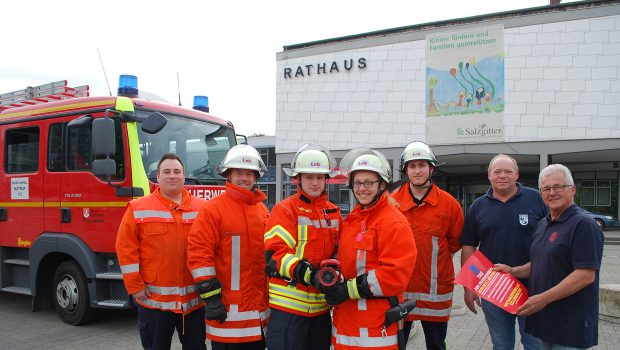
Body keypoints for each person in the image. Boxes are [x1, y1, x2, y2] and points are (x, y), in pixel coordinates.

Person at [495, 164, 604, 349]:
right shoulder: (543, 224)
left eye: (558, 187)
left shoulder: (584, 224)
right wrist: (512, 271)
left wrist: (542, 299)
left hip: (570, 327)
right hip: (544, 323)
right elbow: (540, 263)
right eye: (546, 189)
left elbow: (585, 275)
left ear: (572, 190)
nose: (552, 192)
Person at [325, 148, 417, 350]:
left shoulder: (393, 222)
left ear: (382, 185)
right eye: (357, 183)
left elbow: (395, 274)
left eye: (369, 182)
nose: (362, 188)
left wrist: (347, 290)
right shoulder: (353, 220)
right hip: (345, 325)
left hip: (376, 328)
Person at [116, 153, 207, 350]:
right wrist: (135, 286)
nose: (172, 176)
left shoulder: (203, 208)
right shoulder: (138, 208)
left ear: (184, 176)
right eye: (166, 172)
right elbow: (125, 248)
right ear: (157, 177)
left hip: (193, 303)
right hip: (155, 303)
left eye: (177, 171)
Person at [186, 144, 270, 350]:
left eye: (249, 173)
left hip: (259, 313)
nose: (244, 178)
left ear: (255, 177)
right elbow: (199, 255)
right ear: (228, 175)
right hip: (227, 312)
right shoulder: (213, 211)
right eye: (239, 173)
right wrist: (211, 298)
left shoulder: (262, 210)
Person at [459, 154, 547, 350]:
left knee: (535, 344)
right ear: (489, 175)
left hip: (534, 285)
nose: (502, 175)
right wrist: (469, 287)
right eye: (497, 172)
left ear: (516, 174)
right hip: (494, 288)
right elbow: (468, 246)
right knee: (501, 344)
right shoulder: (478, 206)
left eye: (508, 171)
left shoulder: (536, 198)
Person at [264, 144, 342, 350]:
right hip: (288, 309)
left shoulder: (333, 212)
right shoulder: (285, 210)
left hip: (321, 308)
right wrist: (309, 273)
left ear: (327, 179)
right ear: (298, 178)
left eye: (319, 177)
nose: (315, 183)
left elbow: (340, 252)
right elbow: (276, 255)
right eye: (309, 177)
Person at [391, 141, 464, 350]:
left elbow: (455, 241)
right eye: (412, 166)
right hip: (400, 293)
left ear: (431, 168)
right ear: (405, 170)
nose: (417, 170)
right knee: (396, 346)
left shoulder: (449, 204)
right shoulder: (392, 203)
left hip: (436, 294)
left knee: (436, 345)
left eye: (422, 165)